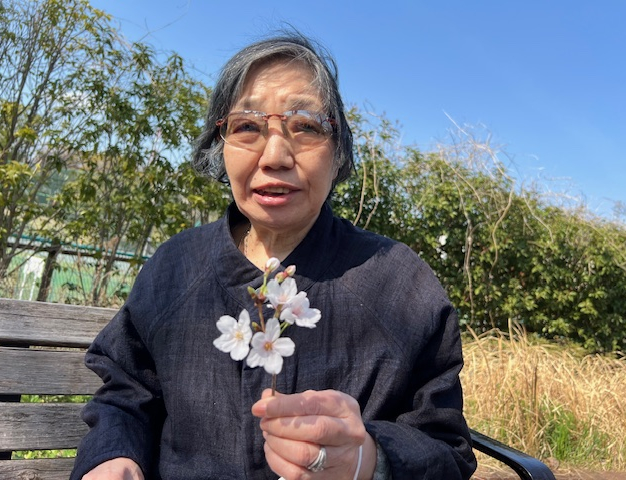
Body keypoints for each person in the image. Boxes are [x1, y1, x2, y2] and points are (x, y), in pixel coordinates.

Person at [71, 31, 477, 480]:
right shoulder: (174, 268)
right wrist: (113, 457)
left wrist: (371, 459)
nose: (275, 156)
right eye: (247, 126)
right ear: (220, 147)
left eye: (306, 126)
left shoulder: (402, 285)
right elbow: (125, 393)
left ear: (338, 152)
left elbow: (447, 451)